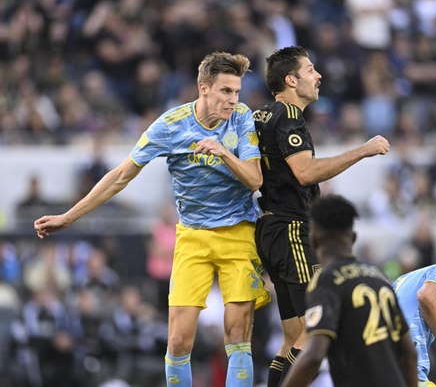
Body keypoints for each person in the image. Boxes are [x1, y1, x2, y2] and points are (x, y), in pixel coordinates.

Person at [34, 51, 271, 387]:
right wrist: (69, 216)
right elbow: (120, 176)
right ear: (203, 88)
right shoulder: (171, 125)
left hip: (239, 233)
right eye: (225, 91)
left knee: (236, 333)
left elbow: (255, 178)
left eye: (236, 92)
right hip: (193, 237)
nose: (233, 100)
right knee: (178, 341)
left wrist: (222, 153)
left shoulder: (242, 118)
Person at [253, 45, 390, 386]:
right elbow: (304, 172)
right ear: (290, 79)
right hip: (292, 230)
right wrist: (363, 150)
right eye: (310, 69)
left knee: (291, 336)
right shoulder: (287, 116)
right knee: (316, 330)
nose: (319, 75)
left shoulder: (262, 115)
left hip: (272, 229)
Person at [280, 195, 417, 387]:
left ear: (313, 238)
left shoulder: (326, 281)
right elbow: (409, 353)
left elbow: (314, 355)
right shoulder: (379, 278)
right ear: (353, 238)